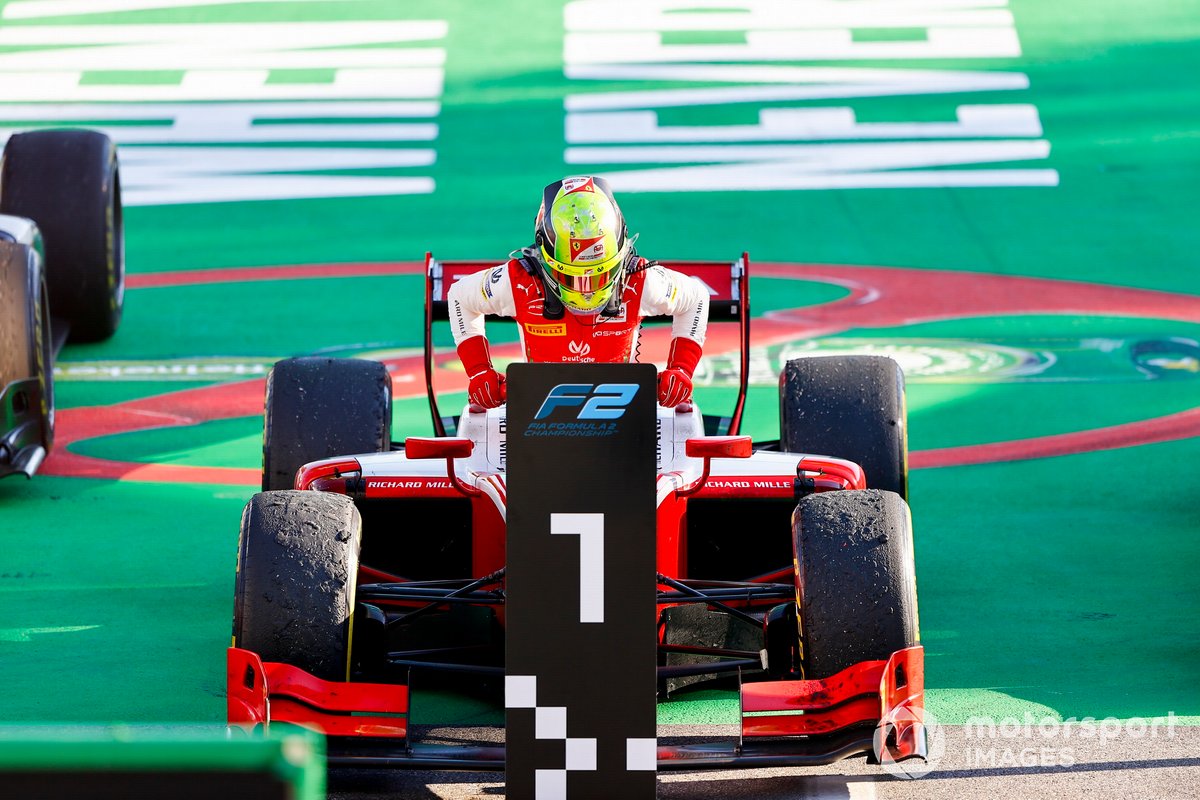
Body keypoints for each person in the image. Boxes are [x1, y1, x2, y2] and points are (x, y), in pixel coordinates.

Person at [448, 175, 709, 408]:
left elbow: (696, 297)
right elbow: (459, 296)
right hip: (535, 420)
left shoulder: (642, 279)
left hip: (624, 417)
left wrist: (681, 369)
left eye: (600, 274)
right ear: (544, 256)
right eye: (570, 276)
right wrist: (479, 371)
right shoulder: (517, 281)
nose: (586, 291)